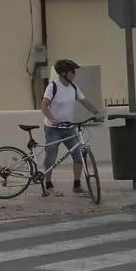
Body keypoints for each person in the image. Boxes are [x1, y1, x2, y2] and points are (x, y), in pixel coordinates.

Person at [40, 59, 102, 195]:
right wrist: (52, 119)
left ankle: (77, 184)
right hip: (53, 129)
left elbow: (85, 102)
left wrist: (96, 112)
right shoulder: (53, 87)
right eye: (72, 71)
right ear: (63, 73)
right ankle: (48, 184)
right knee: (51, 156)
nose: (74, 74)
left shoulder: (74, 87)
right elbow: (44, 105)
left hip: (69, 128)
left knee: (78, 156)